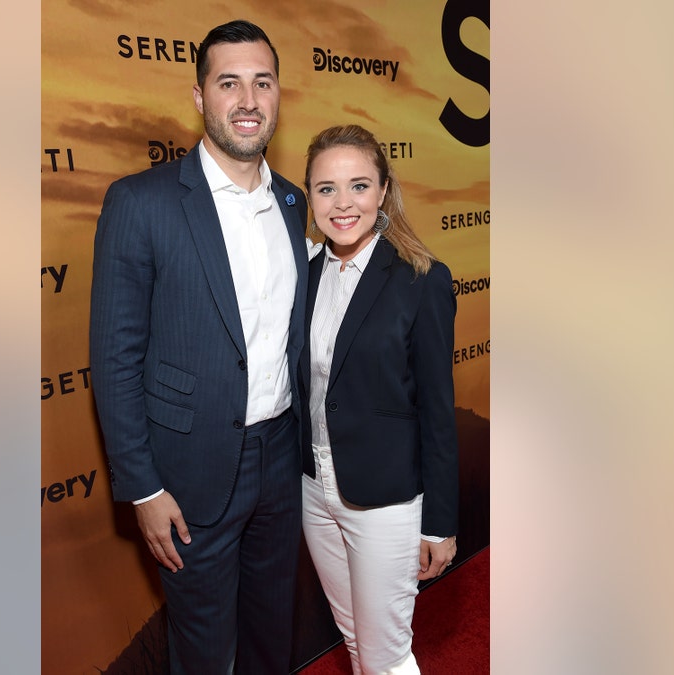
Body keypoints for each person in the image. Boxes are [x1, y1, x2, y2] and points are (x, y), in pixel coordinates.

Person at [89, 19, 310, 675]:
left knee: (275, 637)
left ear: (278, 95)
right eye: (229, 83)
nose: (248, 100)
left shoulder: (296, 202)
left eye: (262, 82)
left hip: (280, 460)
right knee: (206, 654)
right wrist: (143, 486)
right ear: (199, 96)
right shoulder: (141, 203)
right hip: (189, 473)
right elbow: (115, 357)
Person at [299, 124, 460, 675]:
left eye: (359, 186)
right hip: (312, 488)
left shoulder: (422, 280)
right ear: (310, 196)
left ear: (384, 190)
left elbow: (439, 412)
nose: (343, 204)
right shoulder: (306, 274)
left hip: (386, 501)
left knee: (387, 655)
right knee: (353, 640)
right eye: (326, 189)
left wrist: (439, 522)